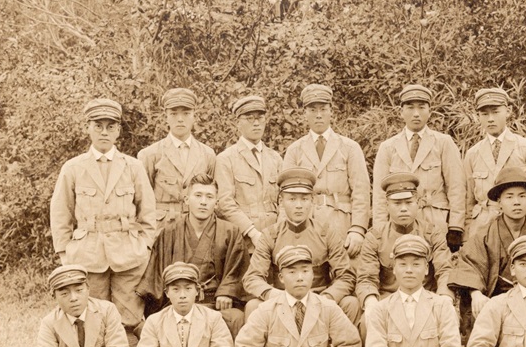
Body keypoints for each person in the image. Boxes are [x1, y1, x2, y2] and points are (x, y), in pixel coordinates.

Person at [50, 98, 157, 347]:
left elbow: (148, 211)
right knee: (92, 316)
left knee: (129, 317)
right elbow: (61, 213)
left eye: (110, 126)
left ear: (118, 130)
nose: (104, 132)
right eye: (98, 126)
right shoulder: (73, 168)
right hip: (87, 254)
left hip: (128, 254)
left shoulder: (132, 166)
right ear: (88, 128)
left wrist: (144, 246)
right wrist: (65, 254)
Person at [449, 166, 526, 322]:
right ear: (499, 202)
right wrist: (476, 294)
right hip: (496, 303)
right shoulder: (484, 236)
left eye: (522, 196)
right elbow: (470, 267)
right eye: (509, 197)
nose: (516, 202)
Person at [137, 174, 250, 338]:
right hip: (179, 302)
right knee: (152, 324)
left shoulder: (230, 232)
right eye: (198, 195)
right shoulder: (169, 232)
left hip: (214, 303)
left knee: (236, 317)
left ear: (216, 203)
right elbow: (156, 275)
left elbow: (237, 269)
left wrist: (227, 292)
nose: (203, 202)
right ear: (186, 200)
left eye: (209, 197)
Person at [243, 167, 360, 325]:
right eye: (292, 199)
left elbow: (346, 276)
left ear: (312, 201)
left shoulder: (326, 233)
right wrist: (273, 295)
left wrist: (327, 297)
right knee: (253, 306)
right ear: (281, 201)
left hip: (319, 297)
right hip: (282, 301)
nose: (299, 205)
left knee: (351, 303)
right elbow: (252, 277)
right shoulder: (270, 235)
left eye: (304, 199)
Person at [356, 172, 454, 339]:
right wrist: (371, 301)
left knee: (449, 316)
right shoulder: (375, 237)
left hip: (425, 297)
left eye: (409, 202)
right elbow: (366, 277)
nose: (403, 208)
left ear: (418, 203)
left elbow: (444, 269)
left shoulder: (432, 233)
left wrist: (444, 297)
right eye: (397, 203)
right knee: (367, 321)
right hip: (388, 299)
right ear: (387, 205)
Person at [283, 84, 371, 264]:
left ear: (331, 111)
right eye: (313, 110)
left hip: (342, 225)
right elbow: (285, 196)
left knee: (345, 274)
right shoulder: (295, 150)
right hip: (306, 226)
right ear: (305, 113)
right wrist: (287, 232)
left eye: (323, 109)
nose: (318, 115)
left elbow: (361, 192)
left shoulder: (350, 148)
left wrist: (357, 229)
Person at [372, 84, 466, 252]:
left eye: (421, 107)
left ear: (429, 111)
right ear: (401, 111)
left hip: (436, 219)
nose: (416, 113)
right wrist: (380, 230)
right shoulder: (388, 147)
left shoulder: (443, 142)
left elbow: (456, 187)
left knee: (438, 262)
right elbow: (380, 195)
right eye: (410, 107)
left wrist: (455, 226)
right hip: (400, 222)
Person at [463, 87, 526, 237]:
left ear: (508, 111)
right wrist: (467, 238)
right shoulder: (473, 154)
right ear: (478, 116)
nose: (490, 119)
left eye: (495, 112)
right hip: (483, 230)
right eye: (484, 114)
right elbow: (468, 201)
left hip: (520, 229)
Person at [138, 88, 217, 232]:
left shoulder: (207, 154)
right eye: (174, 114)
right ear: (166, 117)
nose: (180, 119)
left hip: (198, 228)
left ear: (194, 116)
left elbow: (213, 196)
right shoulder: (150, 154)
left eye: (186, 113)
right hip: (162, 229)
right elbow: (142, 201)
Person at [215, 95, 283, 253]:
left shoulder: (275, 158)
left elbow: (284, 199)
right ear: (238, 123)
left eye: (260, 117)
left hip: (276, 241)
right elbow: (225, 203)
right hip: (242, 242)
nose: (256, 123)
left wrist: (279, 232)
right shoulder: (226, 159)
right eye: (250, 118)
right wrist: (253, 233)